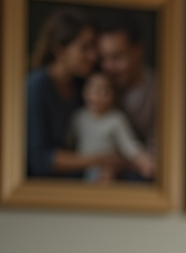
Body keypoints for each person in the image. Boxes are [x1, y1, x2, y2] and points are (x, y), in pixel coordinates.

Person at [26, 7, 118, 178]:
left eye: (93, 47)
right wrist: (99, 160)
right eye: (85, 48)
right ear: (59, 49)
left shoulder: (82, 84)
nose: (93, 55)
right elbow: (38, 160)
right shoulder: (36, 86)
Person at [70, 71, 155, 182]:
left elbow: (129, 146)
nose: (98, 95)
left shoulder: (116, 119)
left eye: (104, 91)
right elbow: (70, 142)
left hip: (106, 170)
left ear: (113, 95)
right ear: (85, 92)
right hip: (81, 168)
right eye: (93, 90)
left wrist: (144, 161)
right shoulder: (78, 117)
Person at [97, 10, 158, 154]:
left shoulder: (160, 90)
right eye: (103, 58)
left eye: (117, 57)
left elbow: (161, 158)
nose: (109, 67)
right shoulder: (96, 85)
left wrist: (117, 163)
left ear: (138, 50)